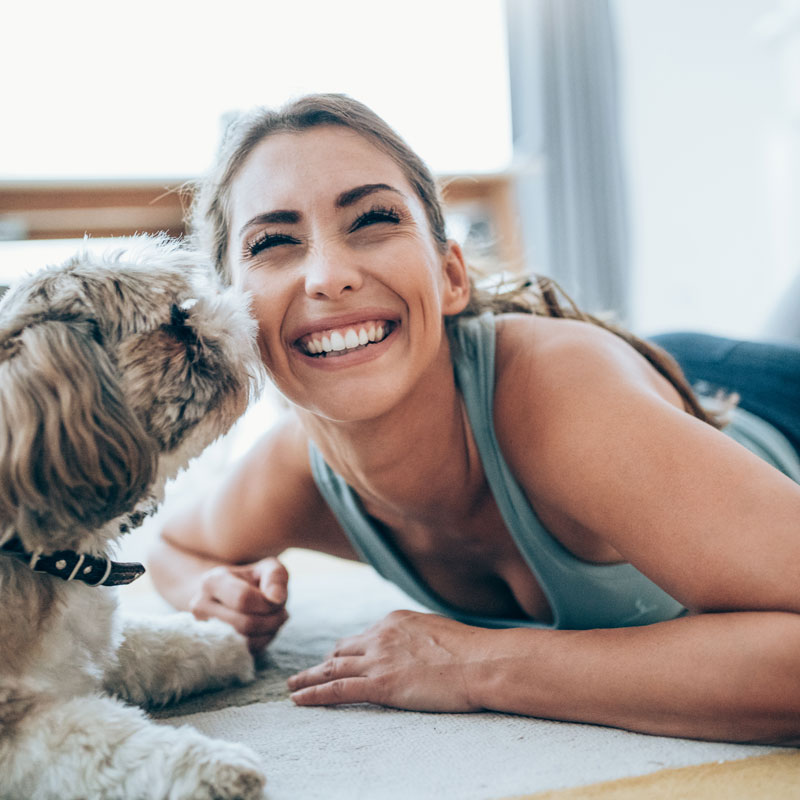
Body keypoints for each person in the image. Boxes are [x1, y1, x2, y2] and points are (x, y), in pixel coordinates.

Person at [148, 93, 800, 745]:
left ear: (451, 275)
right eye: (273, 242)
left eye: (373, 218)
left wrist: (478, 665)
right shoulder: (298, 469)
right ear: (230, 316)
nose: (329, 275)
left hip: (764, 399)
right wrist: (214, 594)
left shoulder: (558, 394)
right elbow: (177, 547)